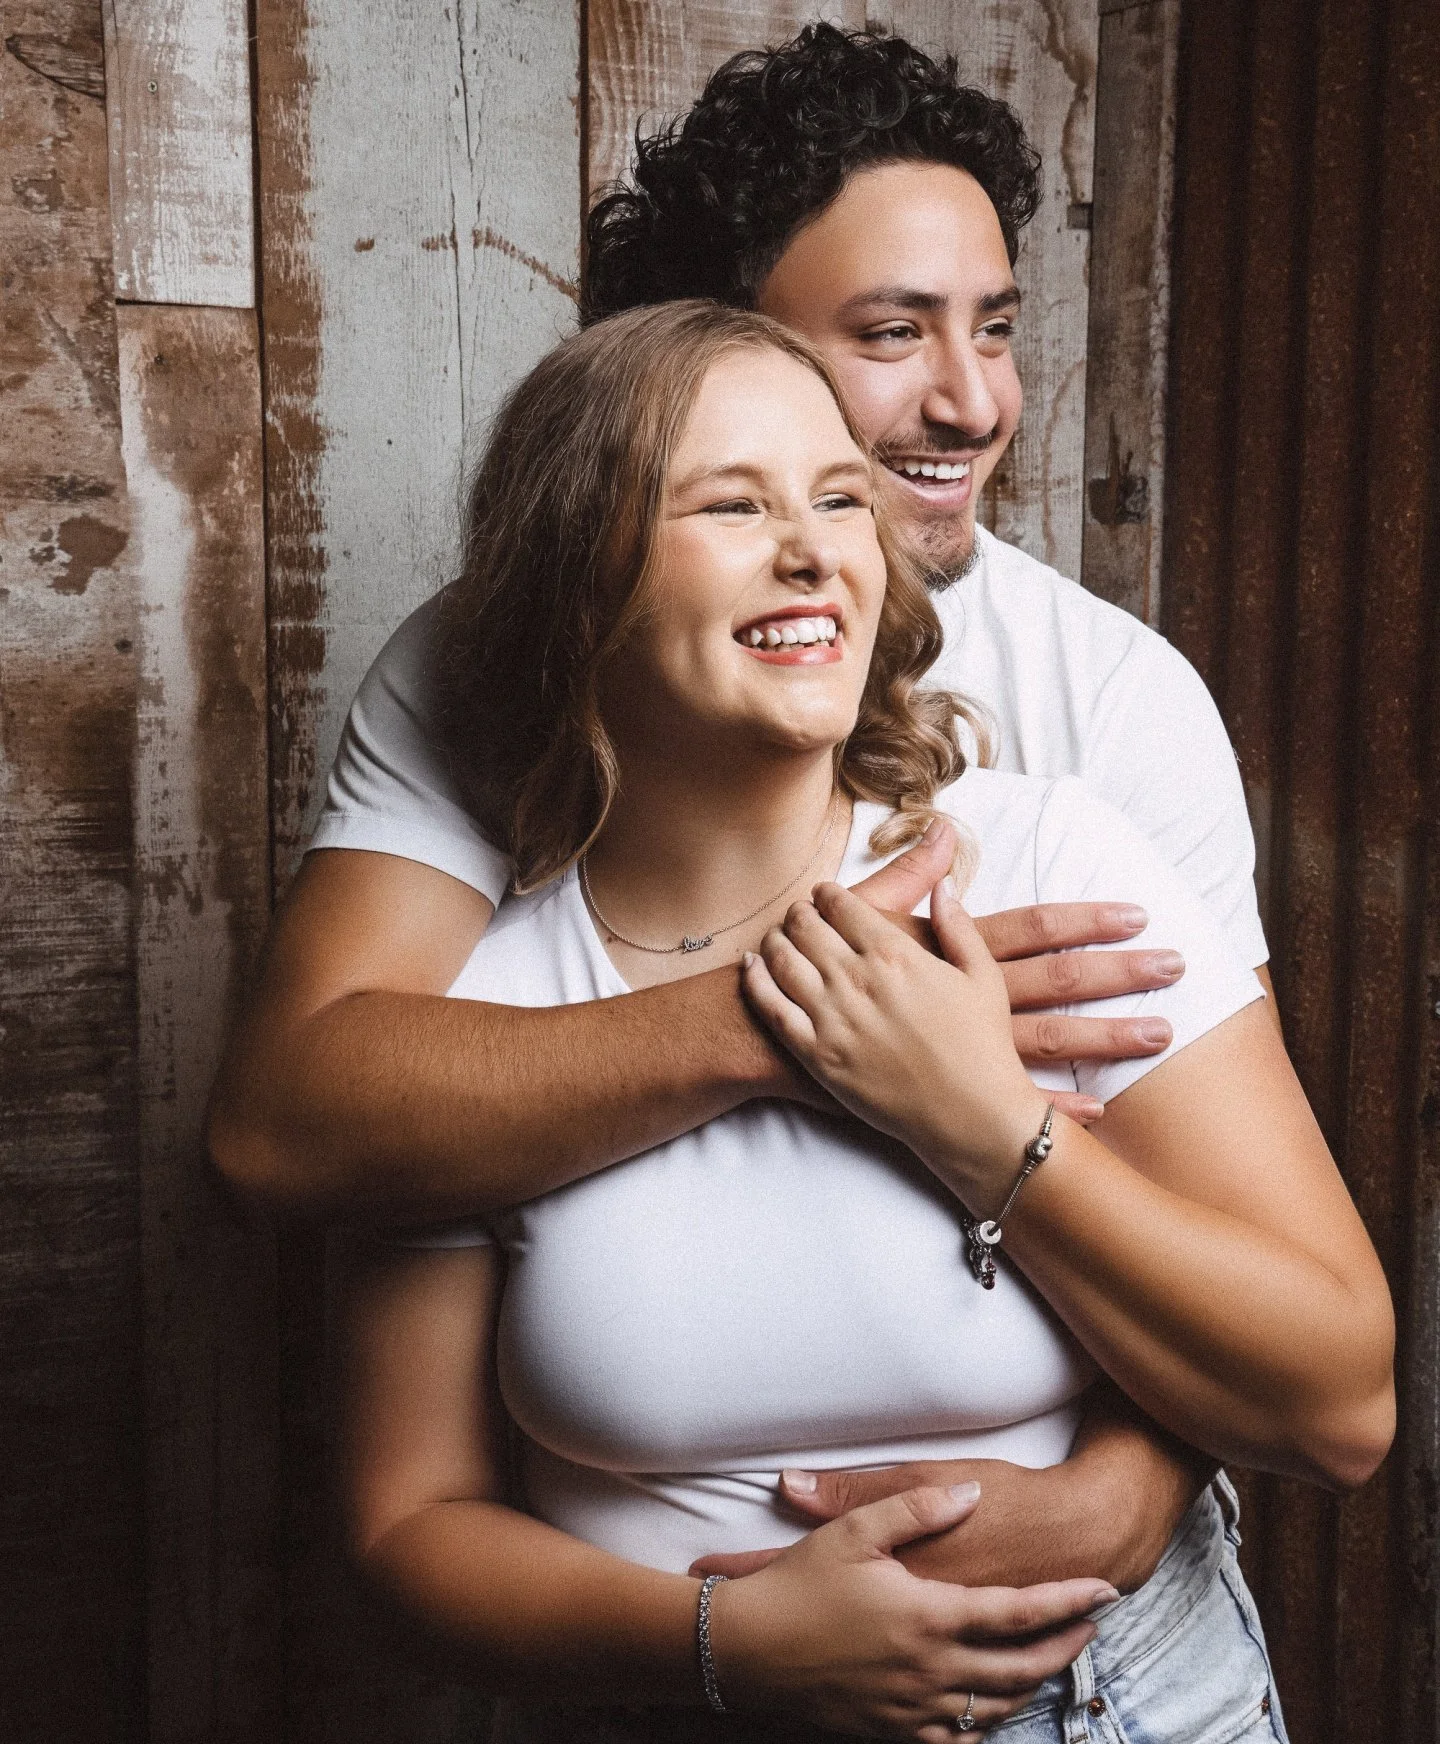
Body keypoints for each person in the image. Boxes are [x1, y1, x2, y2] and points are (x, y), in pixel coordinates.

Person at [213, 27, 1273, 1601]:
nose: (973, 402)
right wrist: (797, 1019)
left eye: (995, 329)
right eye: (892, 333)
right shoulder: (491, 663)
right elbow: (287, 1123)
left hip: (1094, 1653)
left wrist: (1126, 1491)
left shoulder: (1113, 697)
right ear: (702, 344)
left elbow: (1237, 1222)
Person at [340, 301, 1392, 1744]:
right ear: (580, 575)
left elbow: (1341, 1405)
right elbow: (406, 1526)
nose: (811, 549)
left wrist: (981, 1124)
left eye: (839, 499)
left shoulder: (1052, 869)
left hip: (1109, 1742)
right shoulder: (488, 1013)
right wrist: (729, 1647)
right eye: (730, 505)